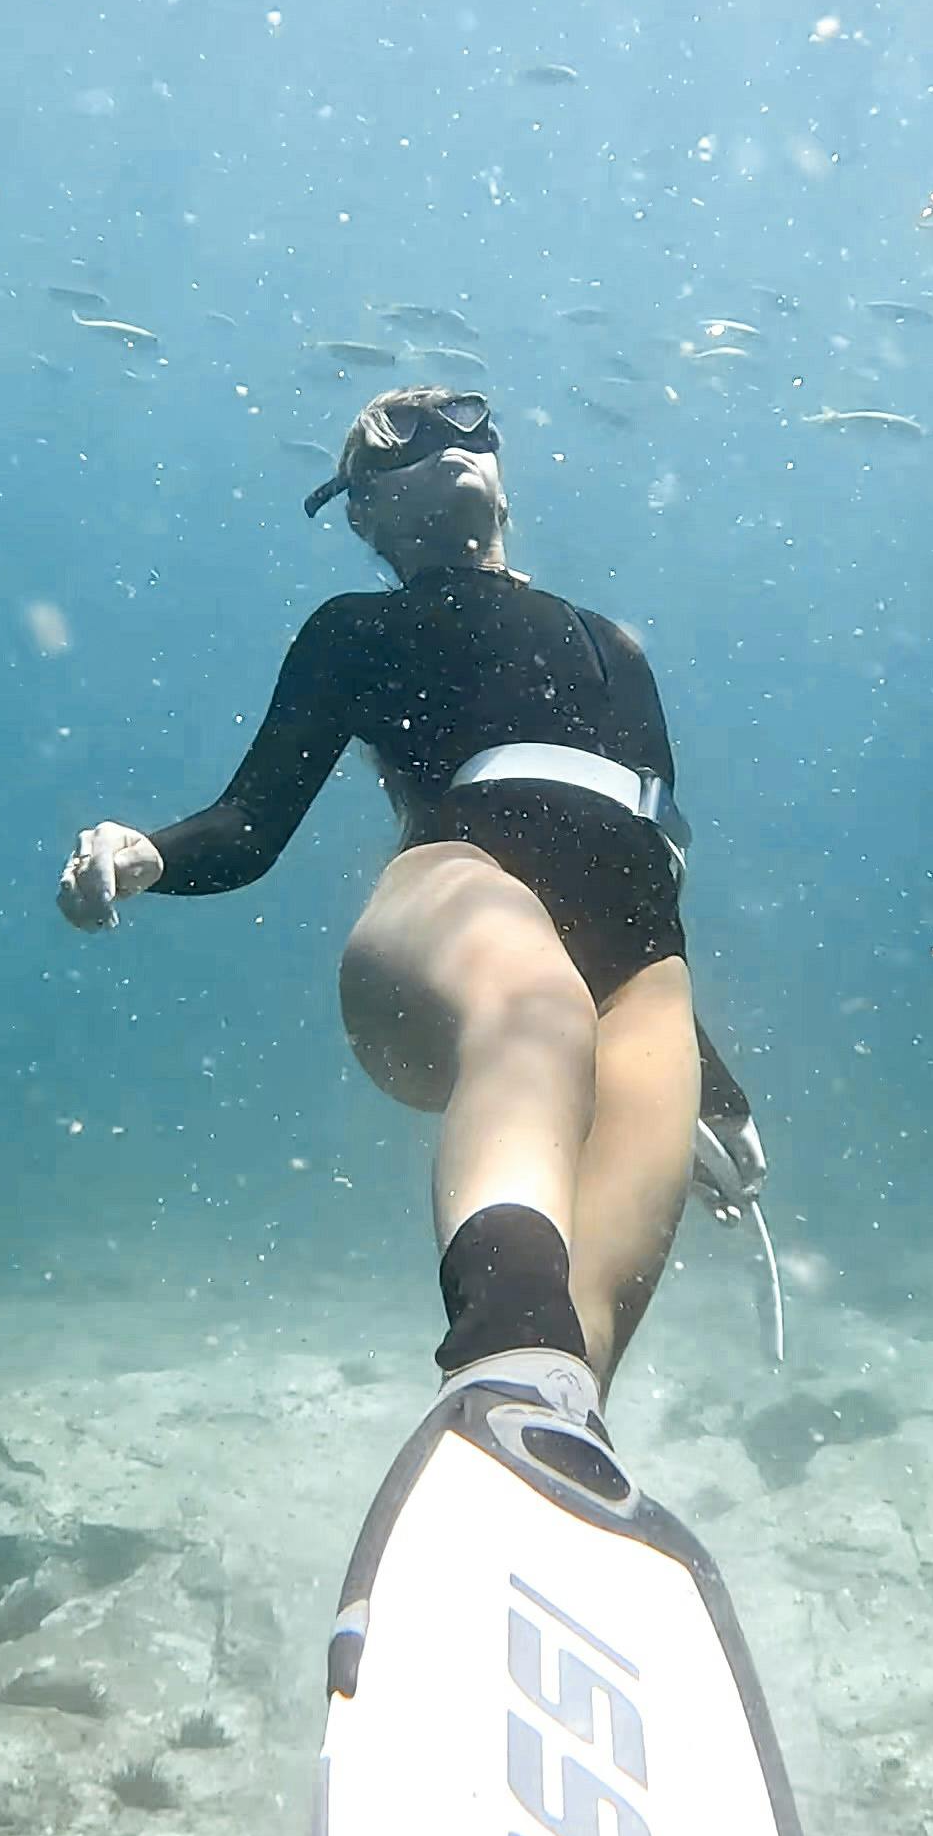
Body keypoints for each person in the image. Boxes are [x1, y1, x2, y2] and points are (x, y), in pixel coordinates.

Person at [57, 386, 761, 1404]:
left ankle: (545, 1429)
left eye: (469, 425)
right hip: (454, 905)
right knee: (541, 1010)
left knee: (600, 1289)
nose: (444, 439)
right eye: (398, 437)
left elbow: (646, 875)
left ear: (507, 484)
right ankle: (502, 1342)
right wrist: (145, 855)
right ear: (362, 515)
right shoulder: (357, 628)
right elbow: (250, 827)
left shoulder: (620, 650)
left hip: (638, 965)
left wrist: (717, 1092)